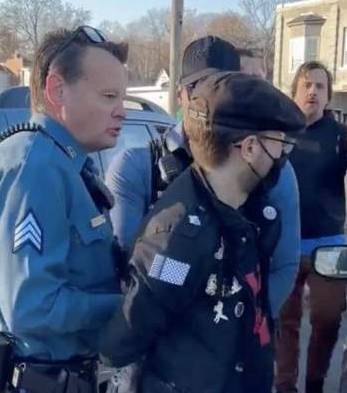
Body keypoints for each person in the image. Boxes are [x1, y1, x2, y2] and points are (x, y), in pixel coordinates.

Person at [99, 72, 306, 392]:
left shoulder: (239, 213)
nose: (281, 157)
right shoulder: (179, 238)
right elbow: (125, 338)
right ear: (250, 148)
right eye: (279, 144)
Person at [0, 26, 128, 393]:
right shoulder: (35, 168)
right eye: (109, 96)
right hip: (36, 379)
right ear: (57, 90)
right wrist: (128, 306)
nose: (122, 111)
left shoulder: (60, 164)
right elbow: (32, 307)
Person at [105, 36, 301, 320]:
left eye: (220, 88)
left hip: (244, 333)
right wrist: (200, 315)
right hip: (163, 333)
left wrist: (240, 323)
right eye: (195, 88)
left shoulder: (272, 168)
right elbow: (133, 264)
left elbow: (284, 265)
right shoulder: (138, 167)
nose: (207, 100)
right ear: (180, 95)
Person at [276, 61, 347, 393]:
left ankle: (315, 382)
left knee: (327, 319)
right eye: (307, 85)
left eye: (320, 86)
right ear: (294, 92)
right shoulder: (278, 131)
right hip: (283, 244)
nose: (313, 91)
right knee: (284, 321)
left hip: (329, 247)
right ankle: (284, 385)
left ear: (328, 96)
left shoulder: (341, 136)